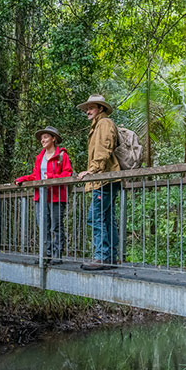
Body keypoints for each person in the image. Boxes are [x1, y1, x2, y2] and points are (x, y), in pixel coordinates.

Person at [14, 126, 72, 264]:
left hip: (57, 196)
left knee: (56, 226)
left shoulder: (62, 155)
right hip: (41, 197)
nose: (43, 140)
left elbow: (68, 173)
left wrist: (51, 177)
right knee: (43, 226)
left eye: (45, 137)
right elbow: (36, 175)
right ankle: (45, 255)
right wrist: (23, 179)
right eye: (41, 138)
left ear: (53, 139)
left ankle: (57, 255)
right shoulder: (39, 158)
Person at [75, 94, 121, 270]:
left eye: (91, 108)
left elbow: (104, 149)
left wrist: (92, 170)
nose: (88, 111)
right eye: (87, 108)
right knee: (107, 217)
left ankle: (102, 256)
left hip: (103, 178)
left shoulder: (104, 124)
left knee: (95, 217)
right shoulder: (98, 125)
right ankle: (109, 257)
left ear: (100, 109)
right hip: (105, 177)